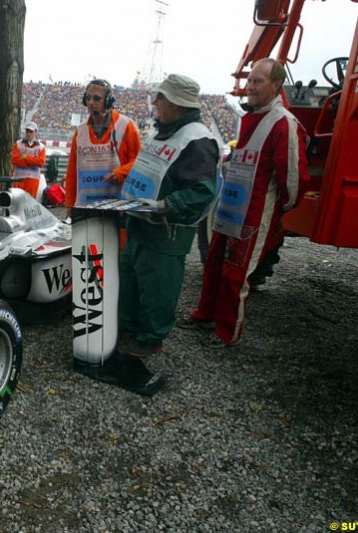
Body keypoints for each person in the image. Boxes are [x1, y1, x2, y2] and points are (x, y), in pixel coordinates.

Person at [183, 58, 309, 347]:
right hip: (231, 205)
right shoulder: (251, 117)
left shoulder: (283, 122)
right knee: (214, 262)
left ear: (277, 85)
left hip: (254, 211)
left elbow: (293, 177)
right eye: (250, 80)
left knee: (236, 273)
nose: (250, 87)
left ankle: (227, 332)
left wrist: (279, 209)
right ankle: (205, 314)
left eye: (258, 81)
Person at [113, 73, 221, 395]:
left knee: (158, 285)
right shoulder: (165, 131)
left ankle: (150, 338)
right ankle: (129, 327)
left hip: (166, 230)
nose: (155, 102)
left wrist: (164, 205)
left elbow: (202, 191)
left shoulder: (197, 140)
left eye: (160, 97)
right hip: (140, 222)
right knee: (131, 276)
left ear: (176, 103)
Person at [64, 79, 141, 216]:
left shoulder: (126, 127)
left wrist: (120, 174)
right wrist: (70, 205)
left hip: (118, 209)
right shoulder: (80, 131)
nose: (91, 102)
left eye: (97, 98)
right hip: (86, 208)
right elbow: (72, 171)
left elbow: (140, 164)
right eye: (88, 98)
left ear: (108, 101)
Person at [11, 121, 46, 199]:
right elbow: (15, 160)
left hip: (33, 179)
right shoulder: (18, 144)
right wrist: (33, 161)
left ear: (36, 132)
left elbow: (41, 162)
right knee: (17, 201)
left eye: (31, 131)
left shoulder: (41, 147)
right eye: (27, 131)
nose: (28, 133)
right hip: (18, 178)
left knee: (29, 202)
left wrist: (25, 157)